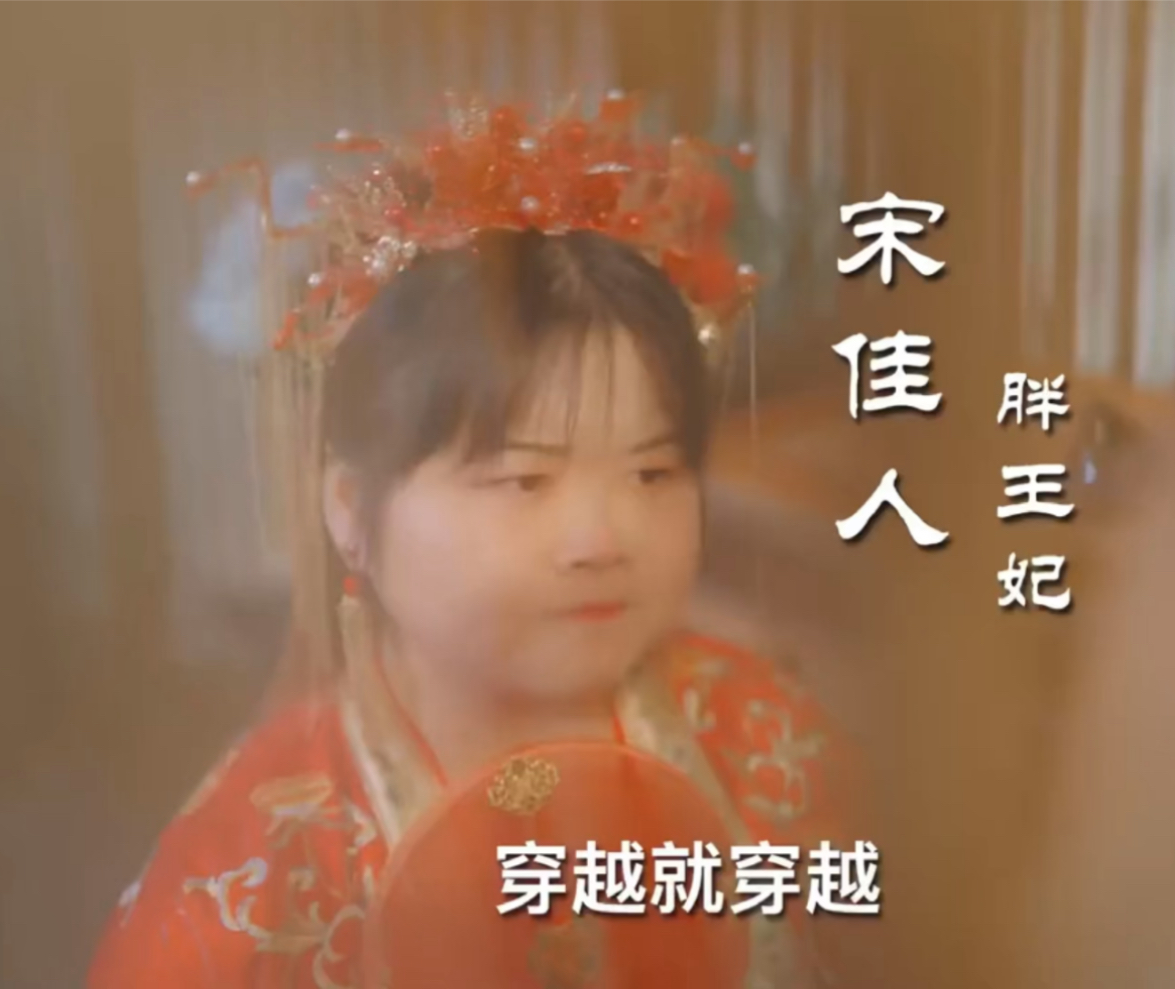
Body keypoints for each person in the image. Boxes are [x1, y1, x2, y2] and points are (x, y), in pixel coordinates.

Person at [87, 96, 864, 989]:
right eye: (524, 480)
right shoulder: (262, 856)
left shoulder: (762, 730)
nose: (601, 539)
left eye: (652, 472)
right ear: (352, 510)